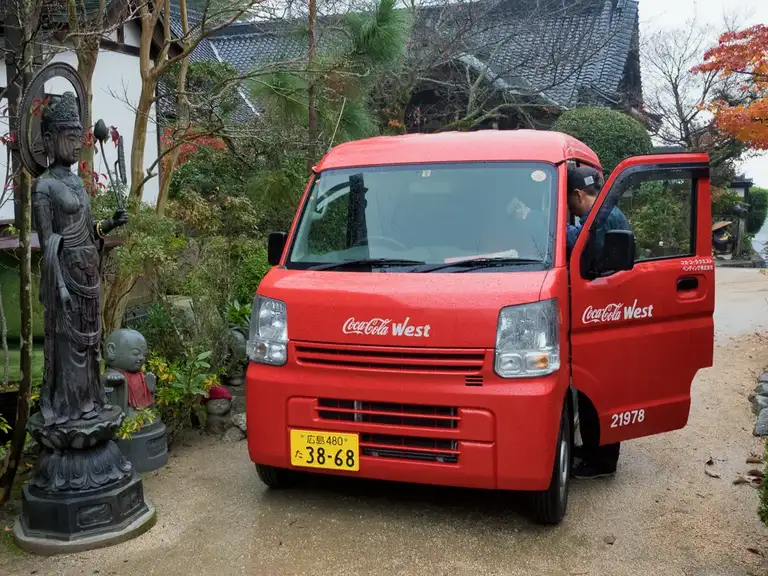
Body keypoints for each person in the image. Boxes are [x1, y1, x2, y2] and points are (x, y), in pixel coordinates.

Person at [565, 165, 631, 480]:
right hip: (604, 308)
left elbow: (574, 241)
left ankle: (602, 461)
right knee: (595, 390)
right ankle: (593, 449)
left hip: (606, 308)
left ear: (578, 195)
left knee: (600, 390)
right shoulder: (609, 212)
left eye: (569, 203)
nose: (571, 210)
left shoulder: (602, 217)